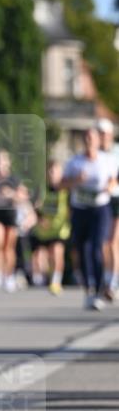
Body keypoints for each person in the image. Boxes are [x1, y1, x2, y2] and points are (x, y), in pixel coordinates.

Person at [63, 127, 117, 311]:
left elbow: (113, 179)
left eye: (92, 137)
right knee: (82, 248)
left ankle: (101, 288)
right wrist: (76, 181)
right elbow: (61, 184)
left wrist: (110, 186)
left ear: (97, 140)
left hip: (100, 209)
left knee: (96, 247)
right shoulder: (74, 162)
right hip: (80, 209)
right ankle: (89, 290)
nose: (89, 141)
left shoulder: (106, 160)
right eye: (86, 137)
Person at [0, 149, 28, 293]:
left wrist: (11, 194)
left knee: (8, 247)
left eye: (2, 160)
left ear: (8, 163)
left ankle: (8, 275)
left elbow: (23, 197)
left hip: (10, 215)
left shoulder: (14, 179)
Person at [30, 160, 70, 295]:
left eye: (55, 171)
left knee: (57, 252)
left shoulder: (66, 190)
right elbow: (35, 205)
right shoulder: (42, 189)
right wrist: (40, 218)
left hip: (60, 229)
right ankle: (44, 277)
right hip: (44, 230)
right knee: (43, 256)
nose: (52, 174)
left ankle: (56, 281)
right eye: (50, 171)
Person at [97, 118, 119, 300]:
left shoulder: (117, 152)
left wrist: (114, 182)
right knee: (103, 243)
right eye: (99, 133)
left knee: (113, 241)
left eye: (104, 133)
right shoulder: (95, 153)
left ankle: (113, 282)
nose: (102, 137)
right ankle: (106, 277)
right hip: (100, 200)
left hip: (117, 198)